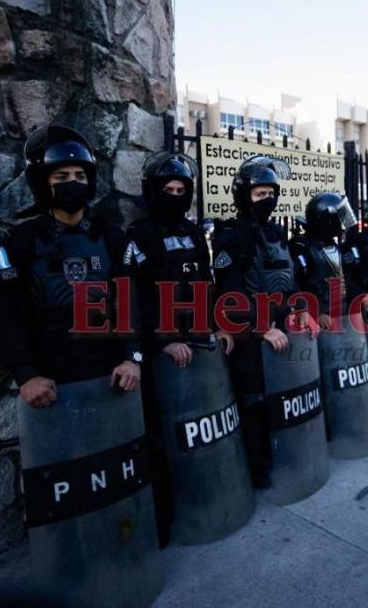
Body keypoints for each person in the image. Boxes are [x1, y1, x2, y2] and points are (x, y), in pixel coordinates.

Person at [121, 150, 234, 544]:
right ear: (152, 192)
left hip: (197, 349)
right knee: (161, 438)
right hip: (160, 355)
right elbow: (134, 300)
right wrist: (163, 340)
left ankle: (207, 498)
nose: (174, 194)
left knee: (201, 430)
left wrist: (217, 326)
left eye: (181, 188)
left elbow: (205, 286)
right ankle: (166, 520)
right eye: (167, 189)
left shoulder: (193, 234)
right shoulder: (138, 237)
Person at [0, 124, 142, 408]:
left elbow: (130, 304)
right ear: (43, 182)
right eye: (62, 176)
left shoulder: (112, 237)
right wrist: (26, 376)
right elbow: (8, 317)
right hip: (50, 387)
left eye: (80, 176)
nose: (72, 182)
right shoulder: (20, 242)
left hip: (111, 379)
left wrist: (132, 358)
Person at [212, 155, 315, 487]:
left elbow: (290, 279)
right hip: (252, 335)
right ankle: (258, 471)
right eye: (260, 194)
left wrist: (301, 309)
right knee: (254, 402)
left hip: (282, 330)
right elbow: (230, 292)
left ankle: (286, 455)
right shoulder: (230, 235)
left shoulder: (277, 231)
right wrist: (262, 328)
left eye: (271, 193)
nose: (267, 199)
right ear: (244, 195)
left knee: (285, 396)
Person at [290, 192, 357, 328]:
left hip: (341, 313)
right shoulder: (301, 246)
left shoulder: (332, 244)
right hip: (316, 321)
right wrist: (316, 312)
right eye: (340, 217)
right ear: (328, 219)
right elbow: (295, 283)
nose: (343, 221)